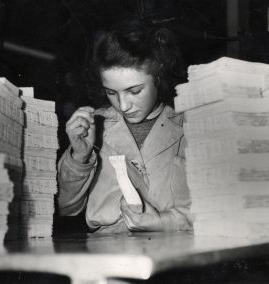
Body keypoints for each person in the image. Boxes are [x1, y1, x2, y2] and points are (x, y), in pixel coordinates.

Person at [57, 20, 192, 233]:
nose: (123, 105)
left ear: (159, 77)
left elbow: (222, 208)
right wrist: (79, 158)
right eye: (111, 92)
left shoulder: (191, 126)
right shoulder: (93, 127)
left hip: (177, 251)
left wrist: (164, 222)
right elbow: (67, 208)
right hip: (107, 254)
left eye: (135, 91)